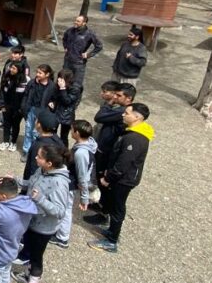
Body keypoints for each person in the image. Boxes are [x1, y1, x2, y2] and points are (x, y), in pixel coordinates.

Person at [8, 144, 71, 283]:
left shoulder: (59, 183)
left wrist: (40, 199)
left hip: (43, 228)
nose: (35, 158)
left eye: (39, 157)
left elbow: (60, 211)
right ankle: (27, 274)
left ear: (49, 163)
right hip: (33, 221)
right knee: (30, 250)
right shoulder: (42, 170)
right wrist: (16, 180)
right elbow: (32, 183)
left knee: (37, 258)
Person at [88, 103, 154, 254]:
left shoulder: (135, 138)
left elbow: (124, 162)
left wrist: (109, 178)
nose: (123, 115)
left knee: (118, 208)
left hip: (124, 180)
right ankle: (111, 231)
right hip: (119, 177)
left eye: (127, 113)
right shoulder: (131, 132)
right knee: (113, 203)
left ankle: (111, 241)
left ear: (137, 117)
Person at [53, 120, 97, 248]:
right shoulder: (85, 145)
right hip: (71, 182)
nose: (71, 132)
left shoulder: (81, 153)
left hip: (71, 184)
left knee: (66, 209)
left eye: (72, 130)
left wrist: (84, 198)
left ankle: (62, 237)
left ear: (77, 133)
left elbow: (82, 177)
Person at [94, 82, 135, 181]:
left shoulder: (121, 111)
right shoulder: (120, 109)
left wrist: (109, 102)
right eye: (115, 94)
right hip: (106, 146)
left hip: (107, 149)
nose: (115, 97)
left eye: (119, 95)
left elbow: (98, 117)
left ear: (128, 98)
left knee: (99, 175)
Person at [20, 64, 55, 162]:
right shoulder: (32, 83)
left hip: (42, 112)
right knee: (28, 131)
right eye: (37, 72)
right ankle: (26, 151)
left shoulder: (51, 86)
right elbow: (26, 95)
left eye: (40, 73)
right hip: (31, 109)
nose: (37, 74)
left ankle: (35, 152)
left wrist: (52, 104)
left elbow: (54, 98)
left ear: (47, 74)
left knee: (36, 133)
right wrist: (24, 107)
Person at [22, 110, 65, 181]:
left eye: (37, 120)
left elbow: (34, 170)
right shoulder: (58, 140)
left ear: (39, 125)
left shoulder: (39, 146)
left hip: (37, 184)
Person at [62, 15, 103, 87]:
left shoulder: (89, 34)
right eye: (75, 20)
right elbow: (64, 38)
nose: (75, 22)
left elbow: (99, 46)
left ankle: (76, 98)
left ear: (84, 23)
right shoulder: (70, 30)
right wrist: (65, 47)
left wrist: (89, 54)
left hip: (79, 63)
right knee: (64, 80)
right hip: (67, 61)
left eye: (78, 21)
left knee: (76, 84)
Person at [0, 45, 30, 128]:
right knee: (3, 103)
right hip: (6, 87)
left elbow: (25, 80)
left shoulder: (25, 66)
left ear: (21, 54)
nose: (13, 55)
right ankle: (3, 120)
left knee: (12, 109)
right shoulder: (9, 61)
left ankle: (10, 127)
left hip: (15, 91)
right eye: (12, 53)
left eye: (16, 53)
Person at [45, 68, 82, 145]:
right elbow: (54, 96)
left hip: (67, 114)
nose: (59, 80)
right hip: (56, 111)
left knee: (64, 136)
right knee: (52, 132)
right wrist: (52, 102)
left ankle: (63, 152)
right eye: (59, 77)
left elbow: (67, 101)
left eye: (61, 78)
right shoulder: (57, 85)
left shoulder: (75, 88)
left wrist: (62, 88)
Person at [0, 62, 24, 151]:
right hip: (7, 106)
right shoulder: (6, 77)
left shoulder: (24, 81)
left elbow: (25, 96)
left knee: (15, 125)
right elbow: (1, 92)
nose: (11, 70)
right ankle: (5, 141)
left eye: (14, 68)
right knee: (7, 124)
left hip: (18, 108)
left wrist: (21, 109)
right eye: (11, 68)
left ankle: (13, 142)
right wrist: (1, 105)